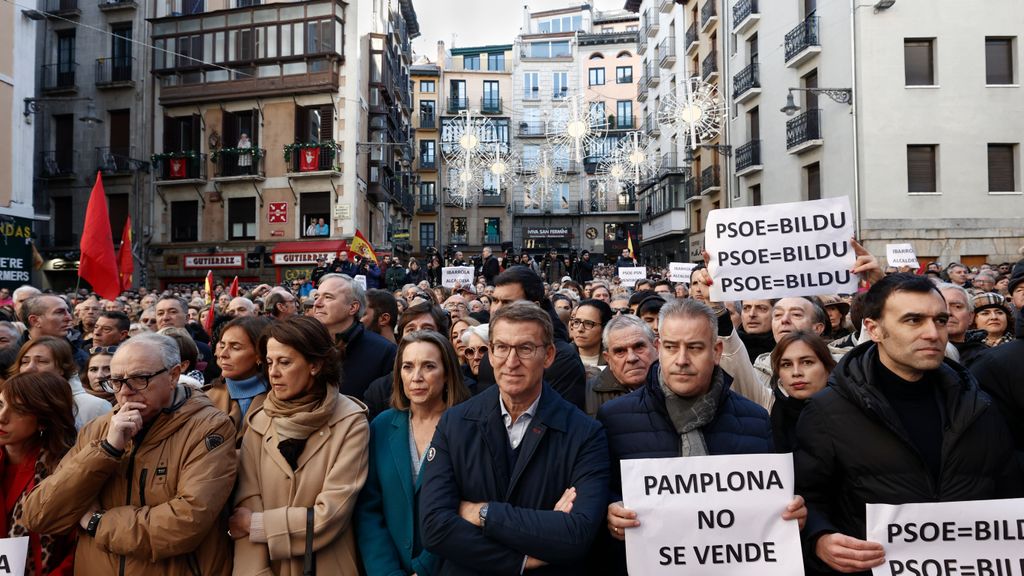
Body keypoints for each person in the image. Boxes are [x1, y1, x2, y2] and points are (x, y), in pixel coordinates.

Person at [795, 274, 1022, 575]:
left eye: (940, 320)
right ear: (874, 329)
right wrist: (819, 538)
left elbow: (1010, 490)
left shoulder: (979, 405)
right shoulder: (827, 412)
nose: (933, 333)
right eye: (913, 320)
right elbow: (807, 499)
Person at [598, 299, 804, 574]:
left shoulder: (754, 419)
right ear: (659, 349)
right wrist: (609, 513)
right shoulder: (614, 418)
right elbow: (598, 494)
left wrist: (792, 513)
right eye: (671, 347)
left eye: (694, 347)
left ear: (717, 351)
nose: (681, 360)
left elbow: (770, 502)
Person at [23, 333, 238, 576]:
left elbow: (187, 523)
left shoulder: (210, 427)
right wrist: (106, 450)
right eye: (115, 381)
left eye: (139, 379)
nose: (124, 391)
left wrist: (97, 523)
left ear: (173, 375)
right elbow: (39, 515)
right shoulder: (99, 429)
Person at [419, 302, 610, 575]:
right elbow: (434, 527)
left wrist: (482, 513)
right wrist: (519, 560)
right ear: (492, 354)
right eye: (502, 348)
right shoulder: (455, 423)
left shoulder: (585, 433)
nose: (511, 362)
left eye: (525, 348)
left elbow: (576, 533)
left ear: (549, 355)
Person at [229, 316, 369, 575]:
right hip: (269, 565)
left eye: (285, 362)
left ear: (314, 365)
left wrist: (258, 525)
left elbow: (331, 514)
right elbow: (245, 507)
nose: (273, 372)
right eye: (269, 362)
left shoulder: (350, 421)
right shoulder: (259, 421)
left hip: (328, 563)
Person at [355, 331, 471, 576]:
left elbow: (466, 509)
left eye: (428, 366)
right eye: (408, 367)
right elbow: (369, 509)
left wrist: (425, 568)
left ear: (448, 373)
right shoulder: (382, 425)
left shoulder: (468, 427)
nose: (416, 377)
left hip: (449, 566)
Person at [474, 266, 588, 410]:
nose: (496, 309)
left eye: (508, 303)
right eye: (495, 300)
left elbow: (564, 423)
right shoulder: (490, 355)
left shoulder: (563, 360)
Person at [0, 372, 77, 576]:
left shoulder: (64, 470)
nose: (2, 417)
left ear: (44, 419)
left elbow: (78, 549)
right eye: (0, 405)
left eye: (19, 410)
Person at [313, 273, 397, 400]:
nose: (317, 303)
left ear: (353, 307)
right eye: (316, 297)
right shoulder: (304, 345)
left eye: (328, 297)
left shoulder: (385, 352)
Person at [13, 337, 111, 430]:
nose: (30, 368)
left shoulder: (95, 407)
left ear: (61, 369)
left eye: (42, 361)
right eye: (25, 362)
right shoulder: (9, 401)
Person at [204, 316, 272, 446]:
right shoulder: (205, 399)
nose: (223, 354)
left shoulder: (280, 398)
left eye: (235, 347)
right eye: (222, 345)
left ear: (259, 355)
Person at [769, 331, 837, 453]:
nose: (796, 372)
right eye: (786, 364)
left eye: (807, 362)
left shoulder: (851, 412)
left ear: (827, 367)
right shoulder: (769, 413)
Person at [584, 315, 657, 417]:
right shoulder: (585, 394)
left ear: (656, 347)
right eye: (620, 351)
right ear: (608, 358)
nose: (631, 358)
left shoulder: (677, 387)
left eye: (639, 347)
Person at [937, 283, 988, 367]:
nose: (948, 312)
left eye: (957, 306)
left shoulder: (987, 357)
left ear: (970, 317)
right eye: (941, 305)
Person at [569, 299, 611, 376]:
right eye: (576, 322)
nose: (580, 329)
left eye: (588, 323)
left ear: (604, 328)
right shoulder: (562, 357)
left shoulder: (613, 360)